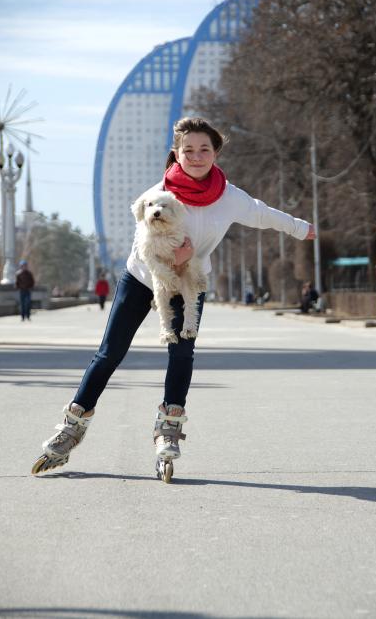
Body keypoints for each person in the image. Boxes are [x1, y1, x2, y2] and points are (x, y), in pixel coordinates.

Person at [32, 116, 316, 478]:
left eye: (204, 149)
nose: (196, 156)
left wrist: (302, 228)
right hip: (142, 278)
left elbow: (263, 214)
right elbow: (142, 243)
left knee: (182, 351)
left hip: (188, 282)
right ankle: (71, 427)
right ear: (176, 154)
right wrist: (171, 258)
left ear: (215, 153)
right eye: (189, 150)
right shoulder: (158, 193)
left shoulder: (229, 197)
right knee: (110, 352)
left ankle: (169, 429)